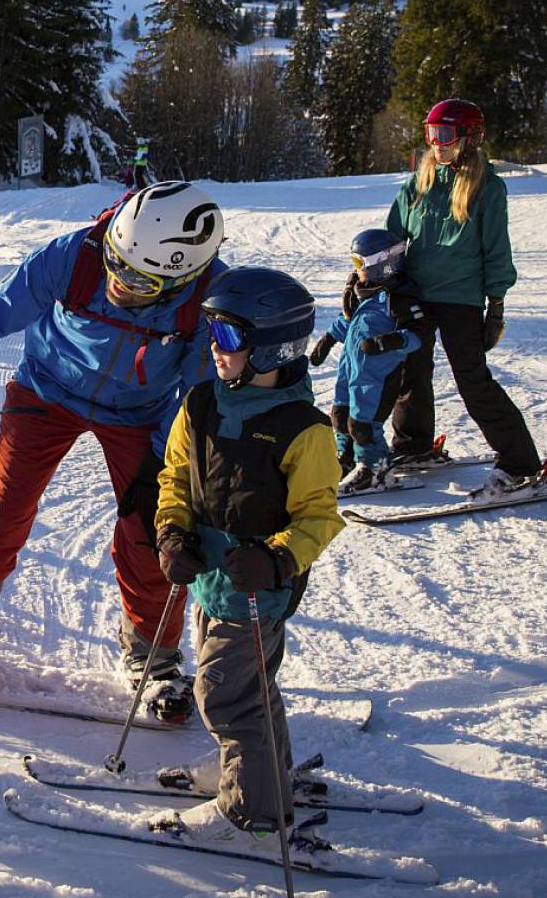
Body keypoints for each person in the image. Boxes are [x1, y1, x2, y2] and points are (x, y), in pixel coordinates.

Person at [0, 181, 226, 723]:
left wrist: (162, 461)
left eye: (140, 281)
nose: (118, 283)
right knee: (5, 511)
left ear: (183, 277)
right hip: (47, 391)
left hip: (139, 411)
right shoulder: (78, 256)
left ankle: (154, 655)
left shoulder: (207, 300)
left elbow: (200, 392)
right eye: (117, 264)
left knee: (152, 530)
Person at [150, 266, 343, 852]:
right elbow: (175, 476)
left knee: (224, 695)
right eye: (210, 332)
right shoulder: (201, 403)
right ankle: (260, 776)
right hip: (210, 579)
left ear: (272, 346)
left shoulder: (303, 430)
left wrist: (278, 560)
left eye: (228, 336)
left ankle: (253, 814)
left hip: (259, 586)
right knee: (250, 687)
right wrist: (172, 533)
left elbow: (318, 517)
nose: (214, 347)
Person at [384, 98, 546, 495]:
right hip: (416, 295)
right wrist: (374, 279)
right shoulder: (419, 181)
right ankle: (413, 446)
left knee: (473, 382)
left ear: (469, 137)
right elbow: (393, 237)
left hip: (461, 298)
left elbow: (496, 250)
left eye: (445, 134)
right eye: (431, 134)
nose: (436, 144)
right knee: (410, 372)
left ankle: (521, 464)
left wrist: (496, 307)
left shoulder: (488, 188)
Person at [308, 229, 422, 493]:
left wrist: (388, 342)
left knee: (363, 424)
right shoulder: (364, 292)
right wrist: (328, 339)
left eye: (359, 262)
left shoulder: (399, 298)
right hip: (351, 370)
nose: (356, 269)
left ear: (383, 262)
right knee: (340, 416)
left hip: (377, 377)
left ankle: (374, 469)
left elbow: (418, 335)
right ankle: (345, 460)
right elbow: (349, 321)